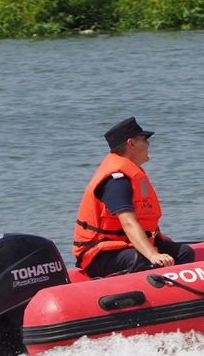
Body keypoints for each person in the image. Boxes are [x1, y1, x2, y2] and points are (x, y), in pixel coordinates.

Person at [73, 116, 196, 278]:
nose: (148, 144)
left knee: (183, 253)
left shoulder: (132, 174)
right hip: (99, 255)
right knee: (142, 259)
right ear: (131, 143)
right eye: (144, 139)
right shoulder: (116, 181)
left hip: (125, 245)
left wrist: (158, 238)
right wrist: (153, 255)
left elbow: (141, 218)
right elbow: (128, 223)